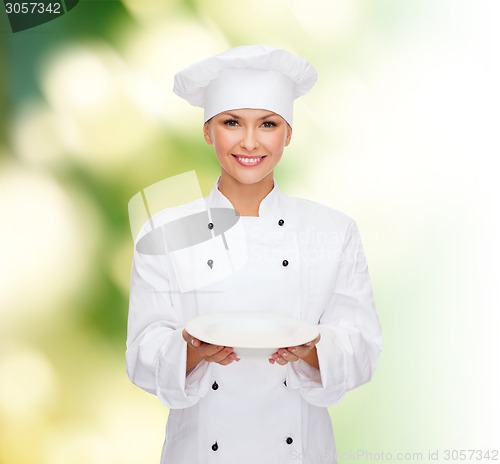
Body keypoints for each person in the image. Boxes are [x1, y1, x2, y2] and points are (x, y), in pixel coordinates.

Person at [126, 44, 382, 464]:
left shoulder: (333, 232)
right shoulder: (165, 233)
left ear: (288, 134)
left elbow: (362, 348)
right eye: (231, 122)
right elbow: (141, 355)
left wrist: (312, 349)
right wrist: (193, 350)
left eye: (267, 124)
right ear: (207, 131)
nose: (249, 141)